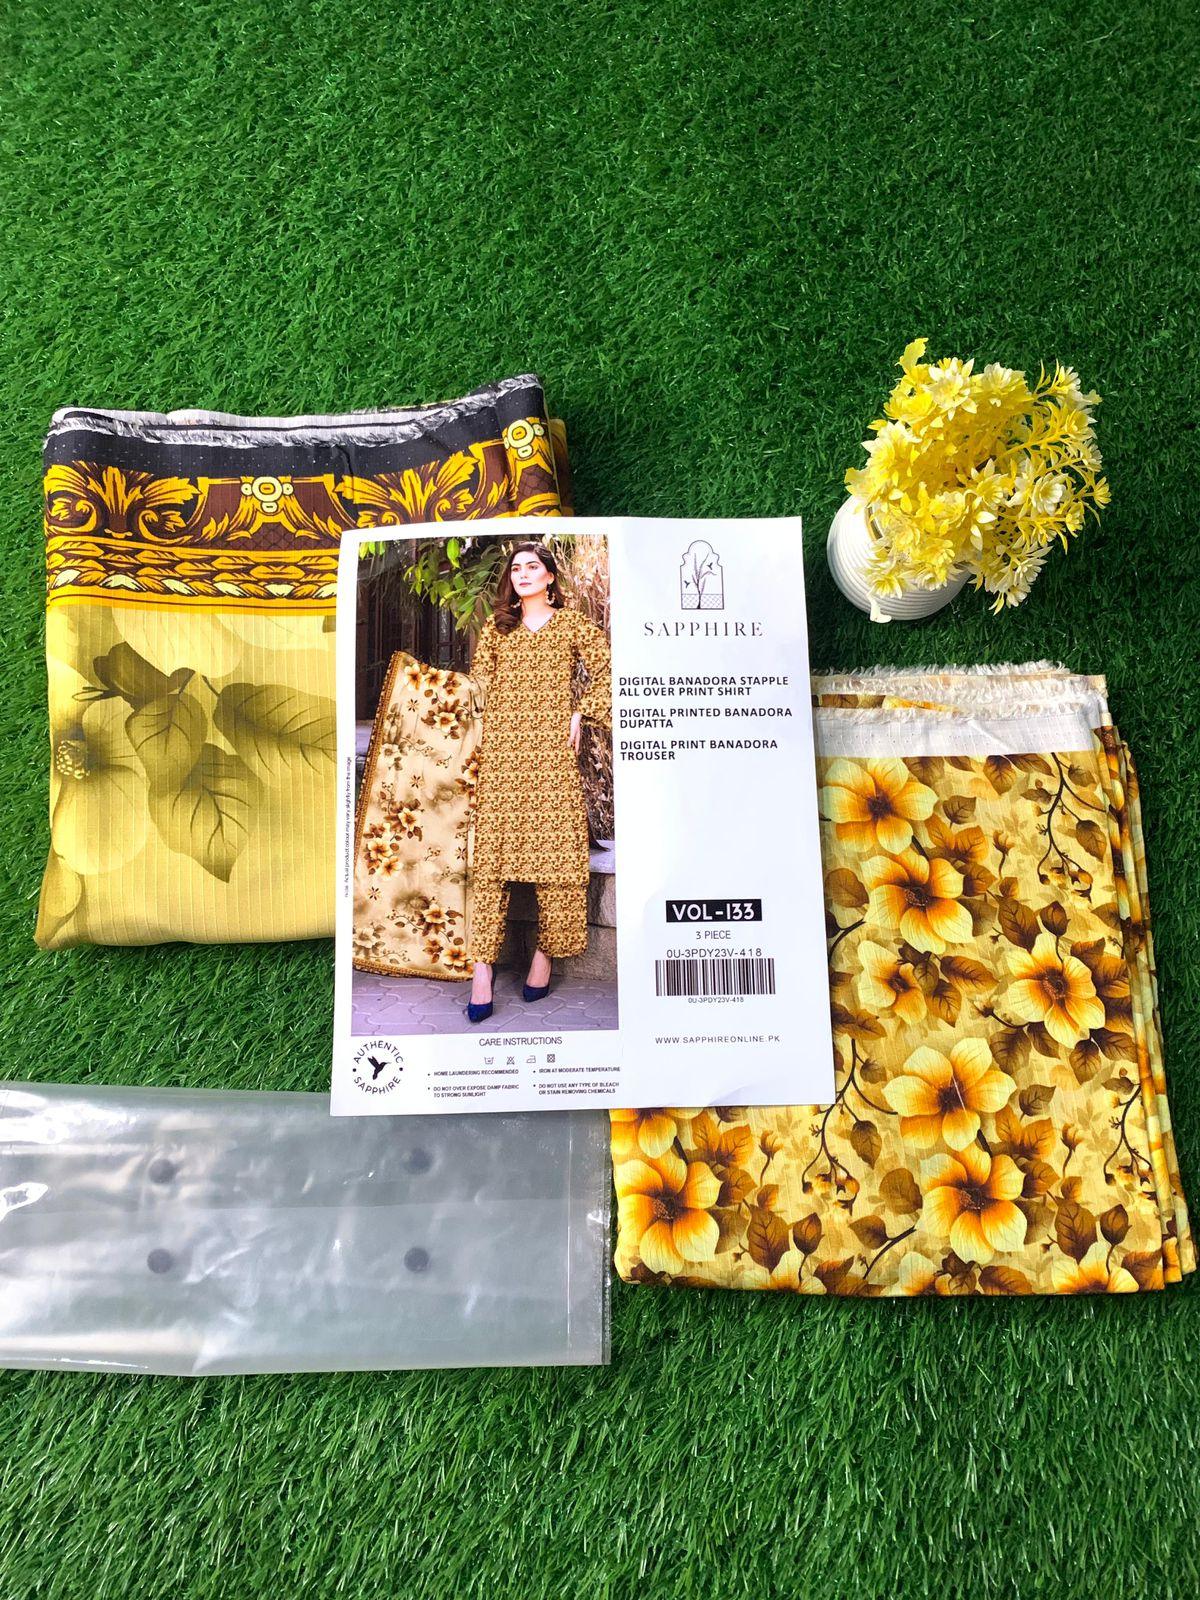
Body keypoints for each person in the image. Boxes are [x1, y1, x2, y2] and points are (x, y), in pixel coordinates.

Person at [466, 542, 611, 1023]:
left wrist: (581, 712)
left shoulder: (571, 625)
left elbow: (608, 668)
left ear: (549, 577)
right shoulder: (497, 628)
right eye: (516, 568)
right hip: (502, 754)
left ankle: (544, 957)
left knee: (559, 854)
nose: (523, 574)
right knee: (492, 858)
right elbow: (477, 687)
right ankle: (482, 969)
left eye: (533, 567)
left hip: (552, 752)